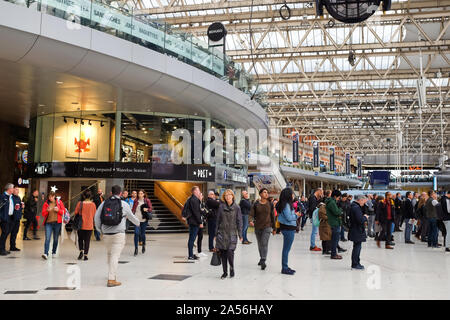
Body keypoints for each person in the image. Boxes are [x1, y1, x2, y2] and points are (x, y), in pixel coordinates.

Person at [94, 185, 140, 287]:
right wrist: (138, 223)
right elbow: (132, 217)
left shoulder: (104, 203)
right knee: (115, 256)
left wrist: (99, 229)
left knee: (110, 254)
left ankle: (112, 274)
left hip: (106, 234)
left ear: (111, 193)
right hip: (119, 234)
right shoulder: (124, 204)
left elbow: (96, 217)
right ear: (120, 193)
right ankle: (111, 279)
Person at [215, 189, 243, 279]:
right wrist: (215, 234)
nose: (227, 197)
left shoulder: (237, 207)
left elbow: (239, 221)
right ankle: (225, 272)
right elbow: (218, 221)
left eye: (229, 195)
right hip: (222, 233)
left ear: (232, 196)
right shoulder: (221, 207)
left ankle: (231, 268)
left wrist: (240, 234)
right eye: (226, 195)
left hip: (232, 233)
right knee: (223, 253)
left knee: (230, 252)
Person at [249, 188, 276, 270]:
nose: (266, 194)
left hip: (267, 227)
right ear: (260, 194)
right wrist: (250, 220)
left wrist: (274, 228)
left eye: (267, 192)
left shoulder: (270, 204)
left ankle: (263, 260)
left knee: (264, 243)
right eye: (264, 192)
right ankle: (261, 258)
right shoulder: (256, 204)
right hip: (258, 226)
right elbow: (251, 214)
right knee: (260, 244)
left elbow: (273, 216)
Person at [276, 187, 300, 275]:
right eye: (292, 194)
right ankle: (284, 268)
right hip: (288, 228)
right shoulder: (286, 205)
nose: (293, 195)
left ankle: (285, 266)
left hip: (287, 228)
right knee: (286, 249)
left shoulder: (286, 204)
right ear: (288, 195)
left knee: (286, 249)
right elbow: (289, 218)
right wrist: (296, 215)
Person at [41, 191, 66, 260]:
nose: (50, 198)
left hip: (57, 223)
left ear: (54, 196)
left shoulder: (59, 203)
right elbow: (43, 214)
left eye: (51, 197)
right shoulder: (46, 203)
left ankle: (54, 252)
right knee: (47, 238)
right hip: (48, 223)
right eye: (49, 197)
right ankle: (45, 253)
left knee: (55, 239)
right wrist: (47, 211)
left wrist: (58, 210)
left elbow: (63, 212)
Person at [74, 189, 97, 260]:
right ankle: (86, 255)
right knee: (87, 241)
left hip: (80, 225)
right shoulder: (93, 205)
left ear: (83, 196)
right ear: (90, 196)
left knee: (80, 239)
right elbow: (94, 215)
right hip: (89, 225)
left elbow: (75, 212)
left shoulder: (79, 203)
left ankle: (81, 251)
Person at [348, 195, 368, 270]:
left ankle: (356, 263)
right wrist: (365, 217)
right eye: (363, 201)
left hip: (355, 229)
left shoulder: (353, 206)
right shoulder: (356, 208)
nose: (363, 203)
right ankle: (355, 264)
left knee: (357, 246)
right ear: (360, 200)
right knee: (357, 247)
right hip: (357, 230)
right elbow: (360, 220)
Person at [184, 186, 203, 260]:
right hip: (194, 222)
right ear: (194, 191)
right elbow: (196, 212)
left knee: (192, 238)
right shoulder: (194, 200)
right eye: (198, 190)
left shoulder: (191, 199)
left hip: (192, 221)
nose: (199, 192)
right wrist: (200, 222)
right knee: (192, 239)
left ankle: (191, 254)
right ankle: (190, 255)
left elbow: (198, 211)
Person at [131, 189, 152, 256]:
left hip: (144, 220)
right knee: (136, 233)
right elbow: (133, 209)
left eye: (141, 193)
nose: (139, 194)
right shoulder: (136, 201)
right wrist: (131, 215)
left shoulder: (147, 200)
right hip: (137, 219)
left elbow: (150, 209)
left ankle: (143, 245)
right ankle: (136, 248)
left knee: (142, 234)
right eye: (139, 193)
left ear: (143, 194)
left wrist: (147, 209)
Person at [326, 190, 343, 260]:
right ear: (335, 196)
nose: (339, 199)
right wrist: (340, 209)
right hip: (334, 222)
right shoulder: (332, 203)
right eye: (338, 197)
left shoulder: (332, 202)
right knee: (335, 240)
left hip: (334, 222)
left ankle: (334, 253)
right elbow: (336, 212)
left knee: (335, 239)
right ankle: (333, 254)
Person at [0, 183, 15, 256]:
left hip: (10, 218)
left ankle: (3, 248)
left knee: (6, 233)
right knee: (4, 233)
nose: (13, 189)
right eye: (12, 188)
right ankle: (1, 249)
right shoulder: (3, 197)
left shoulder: (10, 197)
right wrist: (2, 217)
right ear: (9, 189)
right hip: (4, 218)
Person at [9, 187, 23, 252]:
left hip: (17, 218)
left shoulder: (19, 198)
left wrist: (22, 207)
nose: (17, 191)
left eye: (18, 190)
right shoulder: (11, 197)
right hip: (12, 218)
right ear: (13, 191)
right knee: (8, 232)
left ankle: (13, 246)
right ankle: (2, 247)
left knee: (15, 232)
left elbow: (19, 207)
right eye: (16, 190)